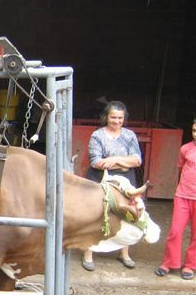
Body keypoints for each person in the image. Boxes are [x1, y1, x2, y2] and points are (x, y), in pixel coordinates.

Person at [82, 101, 142, 271]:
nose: (116, 121)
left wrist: (113, 160)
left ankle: (124, 253)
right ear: (106, 117)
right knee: (94, 215)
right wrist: (124, 164)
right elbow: (96, 162)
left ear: (125, 118)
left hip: (126, 180)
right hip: (100, 178)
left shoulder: (130, 135)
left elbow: (137, 160)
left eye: (120, 118)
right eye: (113, 117)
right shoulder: (97, 135)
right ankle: (88, 253)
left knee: (127, 214)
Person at [155, 119, 196, 280]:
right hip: (183, 195)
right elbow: (181, 169)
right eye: (193, 130)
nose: (195, 134)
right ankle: (169, 262)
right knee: (175, 231)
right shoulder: (185, 149)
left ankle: (190, 265)